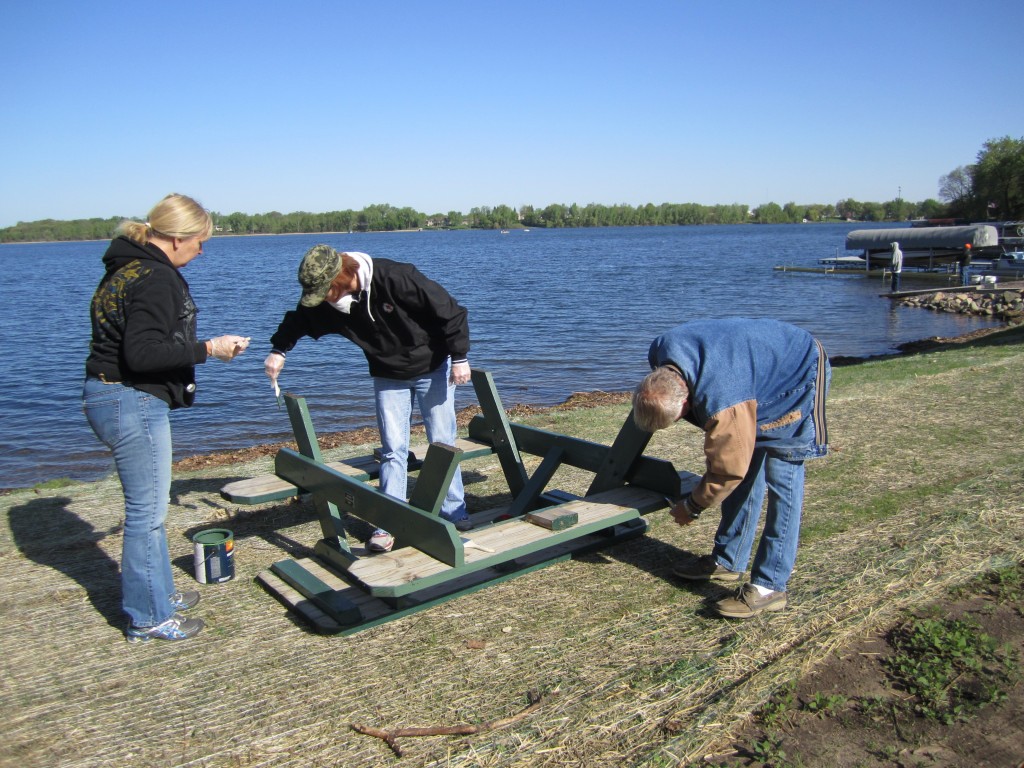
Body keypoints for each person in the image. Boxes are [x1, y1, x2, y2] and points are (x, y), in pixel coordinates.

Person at [83, 193, 250, 643]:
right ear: (178, 238)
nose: (202, 250)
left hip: (110, 395)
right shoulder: (157, 277)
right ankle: (148, 616)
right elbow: (141, 353)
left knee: (149, 510)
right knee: (146, 514)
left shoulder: (126, 269)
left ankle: (159, 595)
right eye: (201, 242)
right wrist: (209, 349)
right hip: (131, 400)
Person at [264, 244, 472, 553]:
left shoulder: (396, 277)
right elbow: (299, 320)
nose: (324, 300)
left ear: (343, 276)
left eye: (327, 292)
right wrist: (279, 350)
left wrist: (459, 357)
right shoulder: (328, 301)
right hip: (387, 376)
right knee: (392, 449)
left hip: (432, 368)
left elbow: (449, 310)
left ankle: (455, 513)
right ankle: (387, 524)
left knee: (443, 444)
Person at [632, 318, 830, 619]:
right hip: (753, 372)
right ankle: (729, 560)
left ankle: (770, 586)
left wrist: (692, 506)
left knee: (782, 478)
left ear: (686, 404)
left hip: (798, 372)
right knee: (747, 470)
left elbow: (727, 471)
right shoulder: (661, 351)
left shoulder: (723, 396)